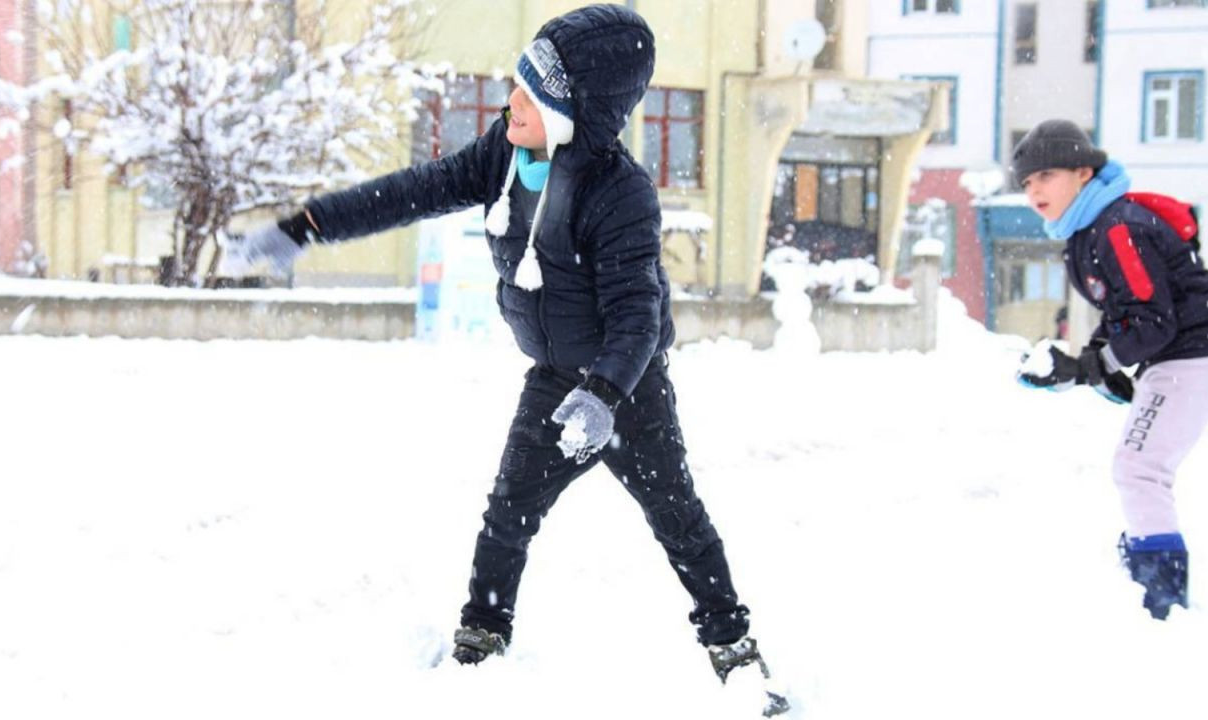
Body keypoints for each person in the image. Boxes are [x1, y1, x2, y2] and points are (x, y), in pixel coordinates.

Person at [218, 4, 788, 712]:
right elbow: (413, 191)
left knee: (677, 518)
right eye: (517, 84)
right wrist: (307, 227)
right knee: (507, 514)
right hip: (554, 376)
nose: (510, 101)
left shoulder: (621, 193)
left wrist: (604, 395)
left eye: (532, 92)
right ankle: (481, 638)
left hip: (626, 389)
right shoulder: (504, 157)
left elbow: (639, 317)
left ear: (576, 106)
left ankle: (734, 649)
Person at [1013, 120, 1208, 620]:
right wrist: (1096, 361)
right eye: (1027, 183)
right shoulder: (1087, 230)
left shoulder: (1117, 227)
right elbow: (1124, 311)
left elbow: (1153, 322)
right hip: (1182, 352)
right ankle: (1151, 566)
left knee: (1139, 468)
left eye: (1045, 176)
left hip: (1195, 353)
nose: (1035, 191)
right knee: (1139, 466)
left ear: (1082, 172)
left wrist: (1090, 364)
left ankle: (1161, 597)